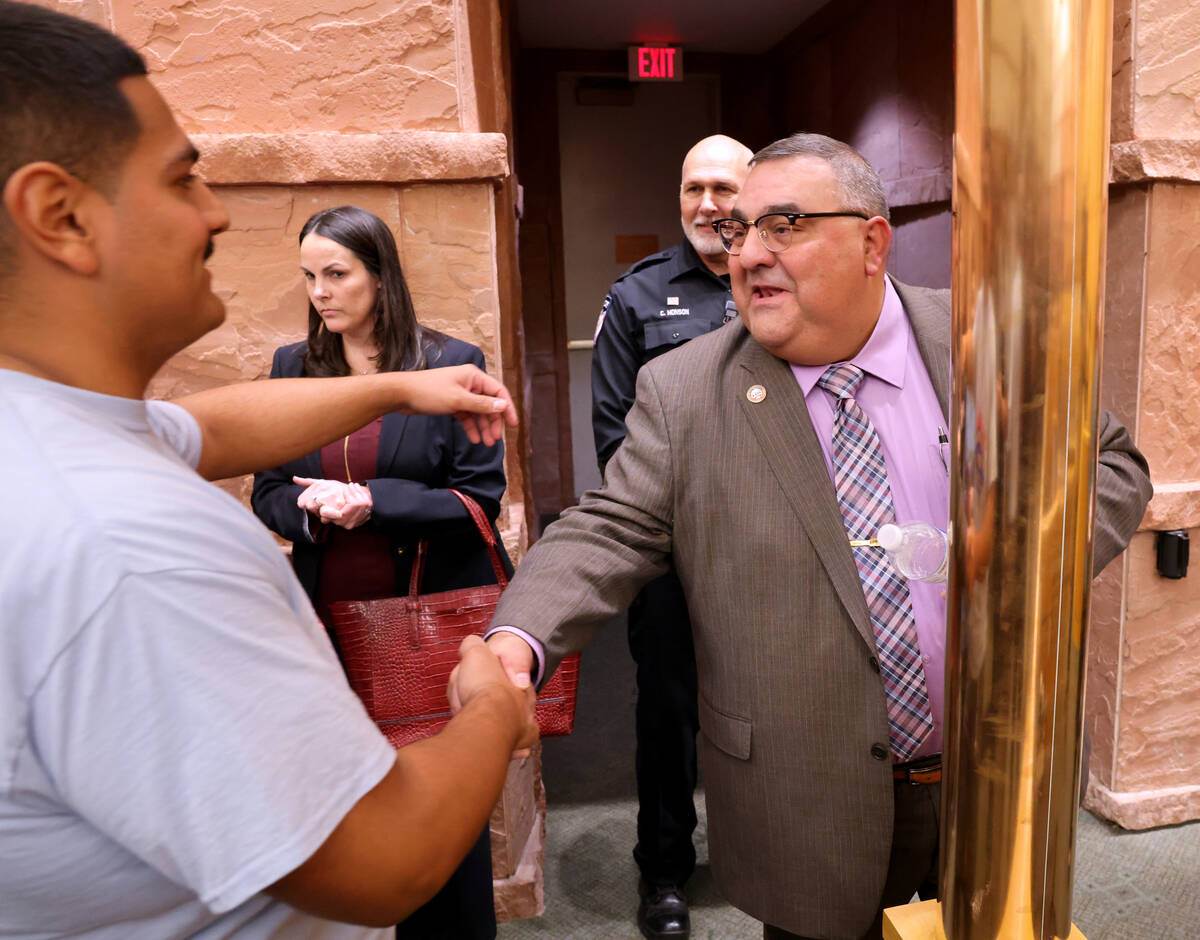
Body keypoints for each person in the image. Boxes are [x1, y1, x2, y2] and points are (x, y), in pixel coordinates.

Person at [474, 133, 1154, 939]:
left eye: (785, 225)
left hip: (996, 778)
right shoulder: (686, 391)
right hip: (807, 806)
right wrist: (515, 642)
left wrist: (1023, 560)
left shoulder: (986, 342)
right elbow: (607, 526)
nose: (749, 253)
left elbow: (1112, 465)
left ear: (872, 242)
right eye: (740, 231)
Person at [0, 3, 535, 937]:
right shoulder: (134, 548)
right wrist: (488, 710)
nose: (213, 212)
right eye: (180, 179)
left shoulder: (54, 428)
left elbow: (206, 426)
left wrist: (404, 389)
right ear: (62, 216)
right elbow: (385, 858)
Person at [252, 204, 511, 940]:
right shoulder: (292, 368)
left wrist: (374, 503)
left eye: (337, 274)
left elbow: (478, 502)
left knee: (434, 801)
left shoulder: (449, 361)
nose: (320, 293)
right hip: (326, 621)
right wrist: (312, 513)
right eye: (309, 277)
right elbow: (269, 486)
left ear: (381, 276)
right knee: (345, 800)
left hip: (418, 621)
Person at [590, 133, 752, 939]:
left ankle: (770, 854)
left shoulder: (785, 280)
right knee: (669, 710)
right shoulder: (639, 295)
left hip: (773, 553)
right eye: (692, 188)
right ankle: (663, 872)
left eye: (722, 187)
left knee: (780, 708)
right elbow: (617, 441)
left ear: (754, 192)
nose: (706, 205)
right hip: (674, 556)